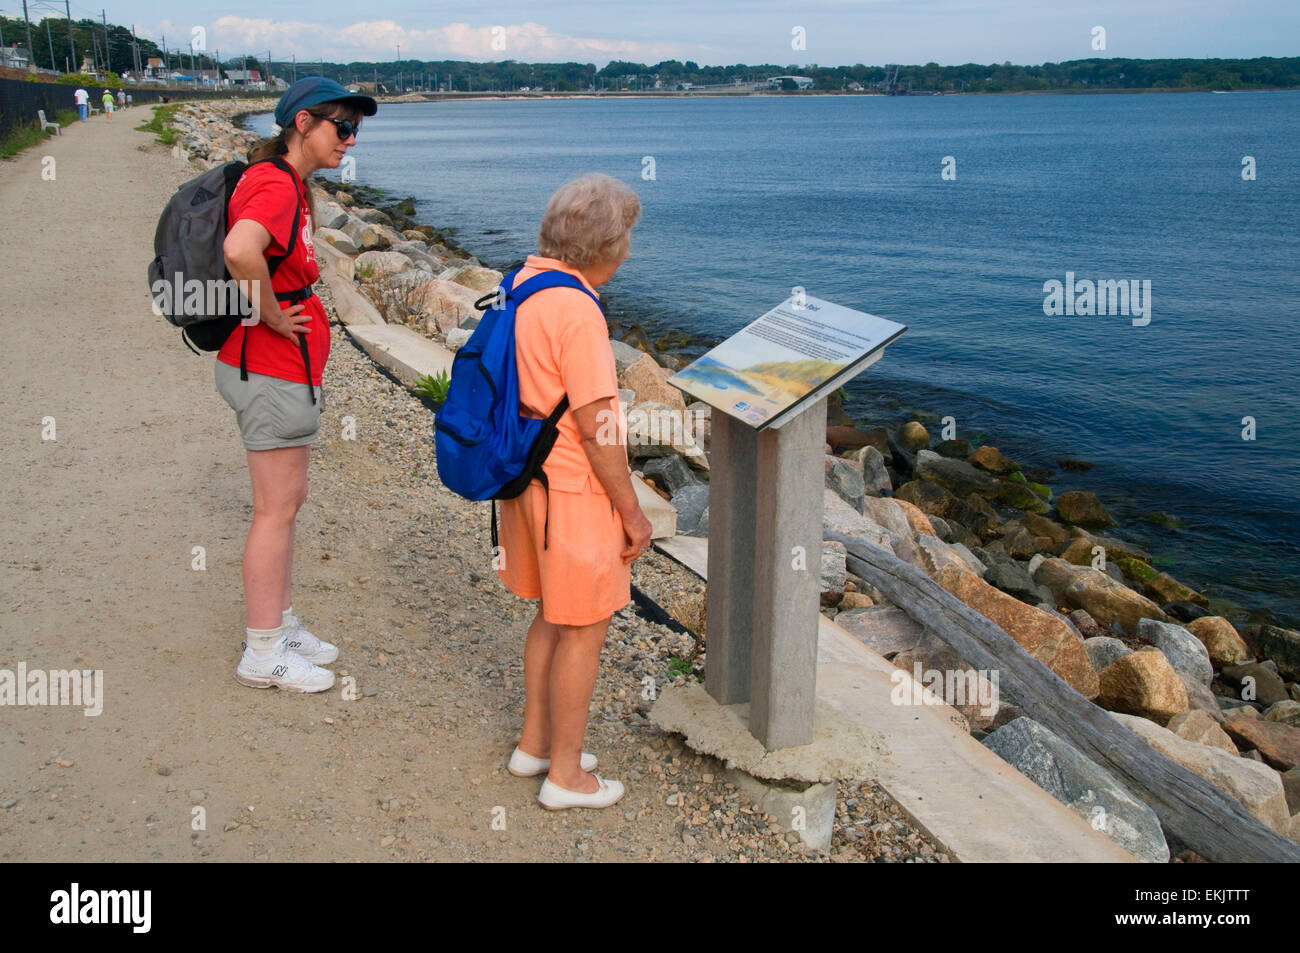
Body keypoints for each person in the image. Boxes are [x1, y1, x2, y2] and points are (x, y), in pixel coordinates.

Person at [496, 173, 653, 809]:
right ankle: (566, 775)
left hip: (524, 486)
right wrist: (633, 513)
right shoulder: (580, 309)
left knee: (550, 617)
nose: (631, 250)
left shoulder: (524, 282)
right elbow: (598, 430)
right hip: (571, 495)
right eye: (628, 238)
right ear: (606, 246)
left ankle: (535, 745)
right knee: (584, 628)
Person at [217, 77, 376, 692]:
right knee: (274, 511)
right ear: (303, 123)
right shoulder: (274, 184)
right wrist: (272, 314)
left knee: (288, 503)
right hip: (269, 368)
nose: (351, 138)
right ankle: (262, 651)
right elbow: (239, 249)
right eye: (343, 126)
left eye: (356, 129)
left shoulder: (287, 183)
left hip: (281, 371)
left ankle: (278, 625)